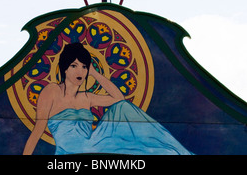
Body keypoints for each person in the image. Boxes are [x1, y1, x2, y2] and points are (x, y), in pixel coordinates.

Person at [23, 42, 192, 155]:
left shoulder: (87, 97)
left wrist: (95, 73)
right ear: (64, 68)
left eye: (83, 66)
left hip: (93, 148)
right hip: (68, 154)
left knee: (123, 107)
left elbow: (119, 98)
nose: (79, 71)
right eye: (74, 65)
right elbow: (37, 130)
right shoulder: (52, 91)